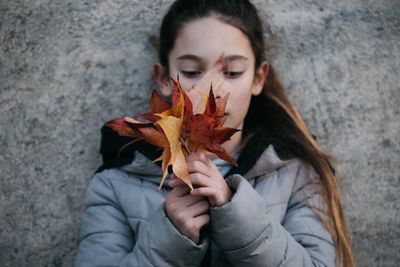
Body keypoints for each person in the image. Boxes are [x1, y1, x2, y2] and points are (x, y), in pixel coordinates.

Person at [75, 0, 354, 266]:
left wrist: (239, 216)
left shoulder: (297, 175)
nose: (213, 91)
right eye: (192, 71)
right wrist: (170, 239)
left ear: (258, 78)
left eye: (232, 72)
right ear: (163, 79)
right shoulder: (116, 182)